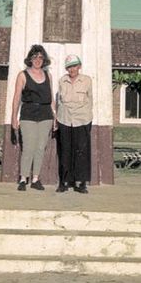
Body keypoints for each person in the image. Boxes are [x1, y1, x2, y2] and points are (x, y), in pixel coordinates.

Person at [10, 45, 56, 191]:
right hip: (28, 114)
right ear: (30, 59)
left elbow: (51, 98)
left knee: (40, 148)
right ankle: (23, 178)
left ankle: (36, 178)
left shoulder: (48, 75)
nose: (37, 60)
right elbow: (17, 98)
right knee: (29, 147)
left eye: (41, 57)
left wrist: (56, 116)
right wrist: (13, 117)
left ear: (44, 59)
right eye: (35, 57)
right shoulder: (22, 75)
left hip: (45, 114)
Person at [55, 54, 93, 194]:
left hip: (82, 121)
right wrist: (56, 121)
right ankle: (63, 182)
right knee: (65, 152)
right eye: (69, 67)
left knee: (81, 152)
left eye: (75, 66)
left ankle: (81, 183)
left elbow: (90, 101)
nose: (72, 69)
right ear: (66, 68)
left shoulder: (87, 81)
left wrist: (88, 119)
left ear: (79, 66)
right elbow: (59, 101)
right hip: (64, 120)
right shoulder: (62, 81)